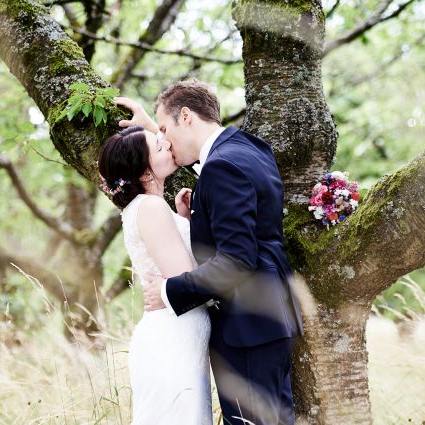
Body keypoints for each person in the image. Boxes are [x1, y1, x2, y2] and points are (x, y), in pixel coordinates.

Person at [115, 81, 302, 425]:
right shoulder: (250, 148)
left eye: (166, 130)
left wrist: (168, 290)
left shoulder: (222, 166)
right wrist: (150, 129)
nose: (165, 141)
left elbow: (235, 261)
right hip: (268, 319)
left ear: (186, 116)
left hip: (246, 325)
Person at [97, 126, 212, 424]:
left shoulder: (149, 207)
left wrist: (185, 221)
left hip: (178, 331)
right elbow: (185, 277)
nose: (167, 145)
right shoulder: (150, 207)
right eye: (158, 146)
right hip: (172, 337)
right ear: (145, 171)